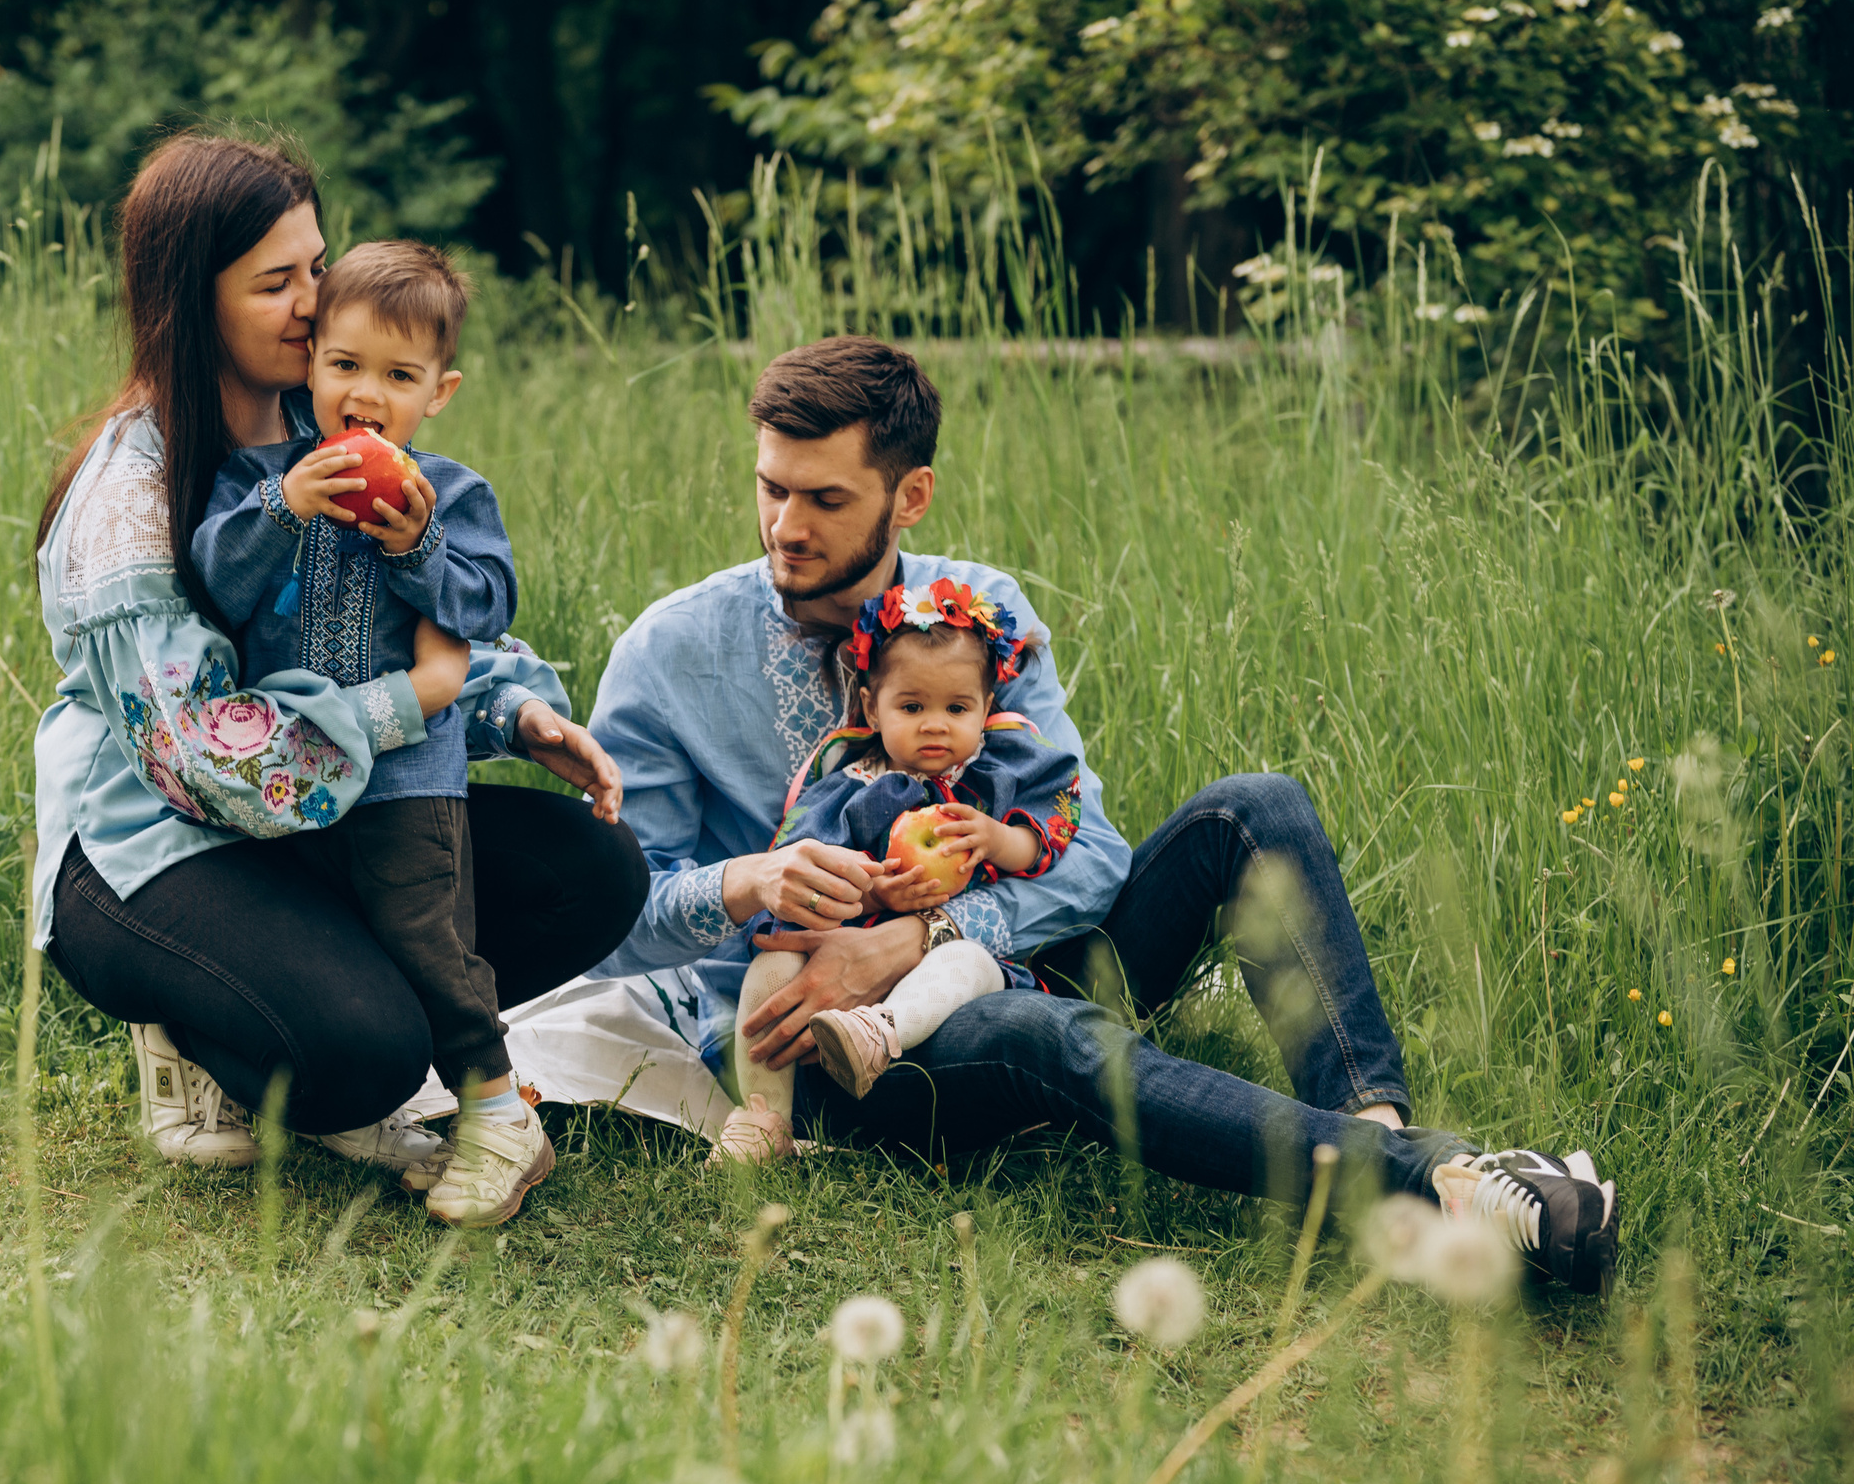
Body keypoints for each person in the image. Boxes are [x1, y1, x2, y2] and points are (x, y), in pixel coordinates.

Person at [586, 335, 1620, 1295]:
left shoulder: (982, 614)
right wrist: (742, 883)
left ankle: (1377, 1137)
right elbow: (617, 916)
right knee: (1033, 1027)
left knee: (1256, 808)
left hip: (1011, 954)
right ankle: (1444, 1174)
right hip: (837, 1042)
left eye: (822, 496)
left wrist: (929, 930)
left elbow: (1091, 855)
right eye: (770, 486)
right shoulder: (669, 652)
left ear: (910, 496)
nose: (784, 525)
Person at [30, 131, 641, 1213]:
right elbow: (207, 762)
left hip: (331, 816)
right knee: (362, 1052)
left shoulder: (326, 416)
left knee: (592, 870)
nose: (317, 305)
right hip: (159, 843)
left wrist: (514, 708)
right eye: (277, 282)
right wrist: (420, 699)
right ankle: (194, 1029)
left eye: (316, 265)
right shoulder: (134, 500)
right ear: (191, 300)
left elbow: (403, 608)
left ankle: (319, 995)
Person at [191, 239, 559, 1226]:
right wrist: (281, 506)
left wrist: (414, 542)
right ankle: (283, 1088)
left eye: (397, 375)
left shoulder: (449, 492)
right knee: (295, 924)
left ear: (440, 390)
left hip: (406, 778)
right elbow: (209, 583)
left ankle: (497, 1111)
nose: (364, 394)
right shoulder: (258, 478)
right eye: (344, 365)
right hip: (281, 777)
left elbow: (486, 601)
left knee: (426, 936)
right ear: (308, 365)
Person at [719, 575, 1085, 1151]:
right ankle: (764, 1116)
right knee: (772, 966)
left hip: (943, 975)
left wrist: (996, 839)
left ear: (987, 707)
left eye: (957, 707)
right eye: (911, 706)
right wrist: (873, 895)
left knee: (966, 958)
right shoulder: (850, 789)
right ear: (872, 705)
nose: (935, 723)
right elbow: (797, 878)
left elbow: (1051, 838)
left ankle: (877, 1032)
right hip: (846, 965)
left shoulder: (997, 776)